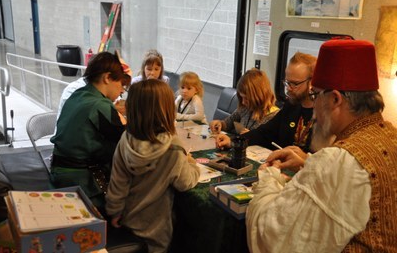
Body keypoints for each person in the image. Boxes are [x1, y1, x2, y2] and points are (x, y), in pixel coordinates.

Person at [246, 39, 397, 252]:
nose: (313, 105)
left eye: (315, 95)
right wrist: (308, 164)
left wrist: (269, 178)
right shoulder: (390, 136)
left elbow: (273, 238)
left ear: (335, 99)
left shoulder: (339, 160)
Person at [105, 79, 200, 253]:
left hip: (127, 222)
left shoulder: (125, 140)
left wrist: (114, 211)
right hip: (157, 232)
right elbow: (186, 182)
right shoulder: (173, 147)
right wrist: (191, 163)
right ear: (166, 110)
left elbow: (117, 183)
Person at [50, 51, 131, 209]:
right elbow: (127, 142)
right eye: (122, 84)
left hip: (58, 175)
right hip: (80, 184)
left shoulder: (79, 94)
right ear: (107, 78)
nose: (122, 91)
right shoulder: (100, 105)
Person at [215, 52, 316, 152]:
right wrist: (232, 141)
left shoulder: (323, 113)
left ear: (311, 83)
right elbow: (263, 132)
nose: (289, 89)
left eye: (294, 84)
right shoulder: (291, 106)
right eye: (287, 82)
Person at [210, 68, 279, 134]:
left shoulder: (274, 116)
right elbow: (227, 123)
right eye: (242, 97)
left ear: (257, 97)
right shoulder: (245, 108)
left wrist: (252, 137)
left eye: (246, 98)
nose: (243, 102)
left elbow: (271, 143)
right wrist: (219, 124)